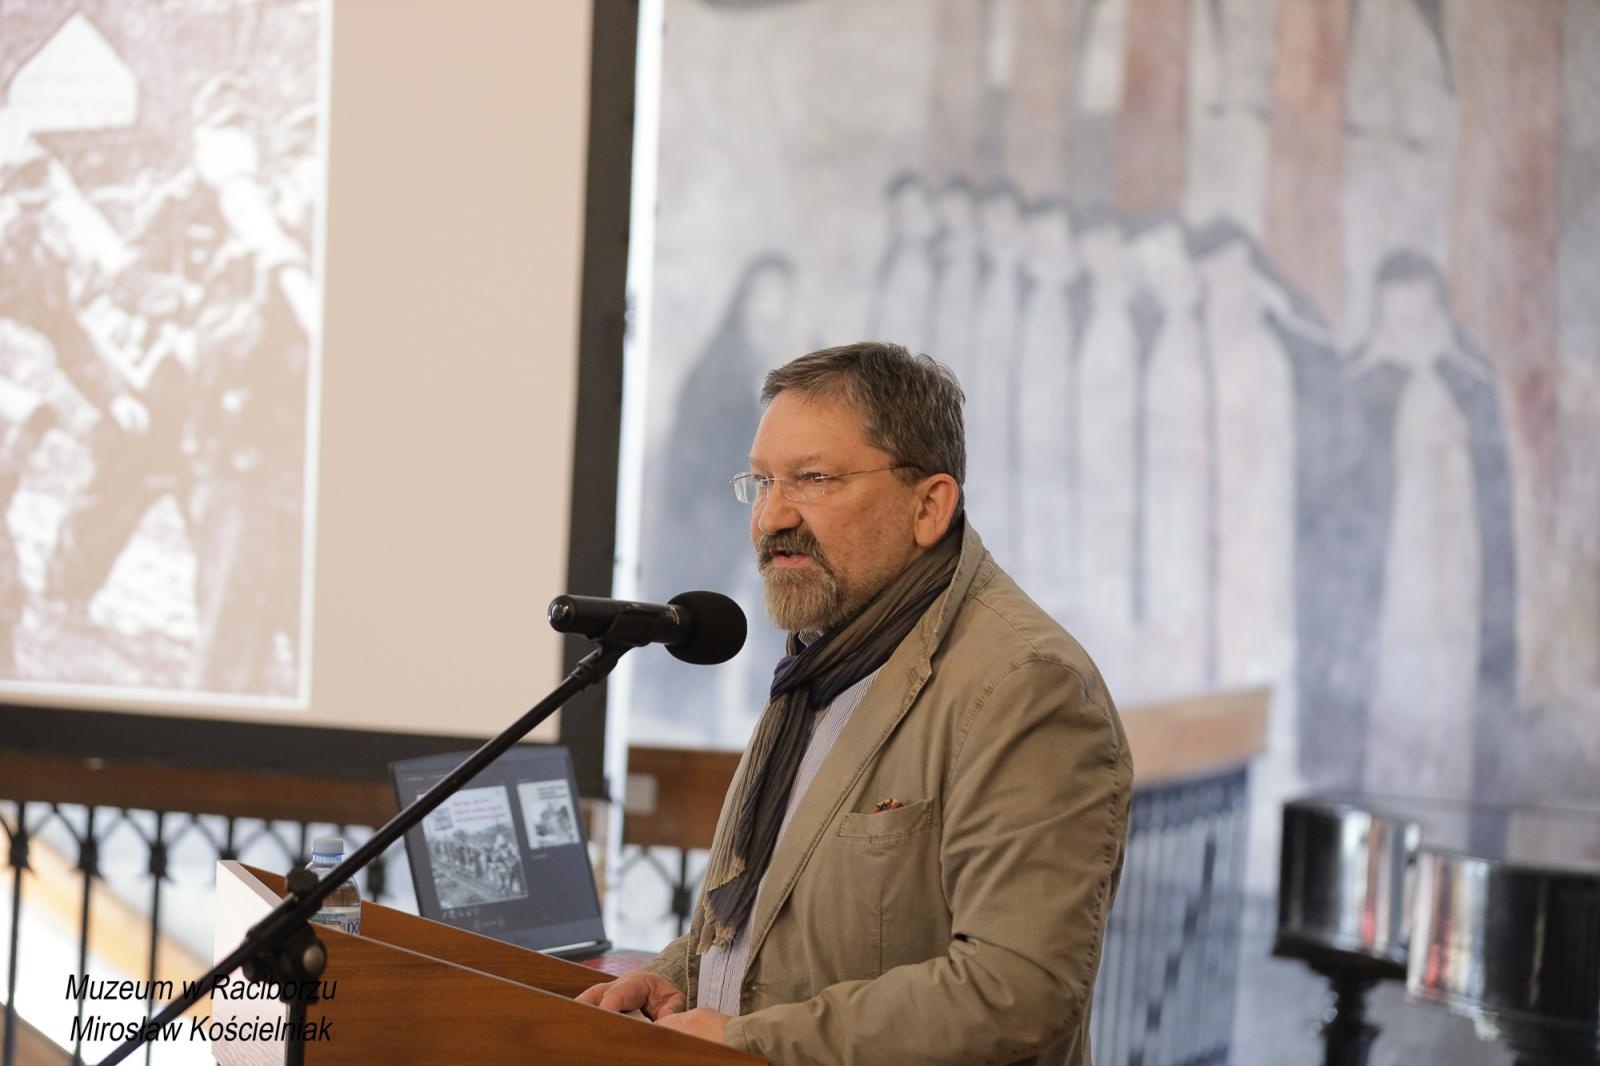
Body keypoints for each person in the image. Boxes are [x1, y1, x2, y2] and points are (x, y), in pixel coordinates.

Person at [580, 342, 1132, 1064]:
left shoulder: (1026, 685)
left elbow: (1017, 990)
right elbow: (776, 916)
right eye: (760, 483)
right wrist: (674, 977)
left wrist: (752, 1041)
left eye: (812, 479)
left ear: (930, 505)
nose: (771, 517)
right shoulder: (828, 650)